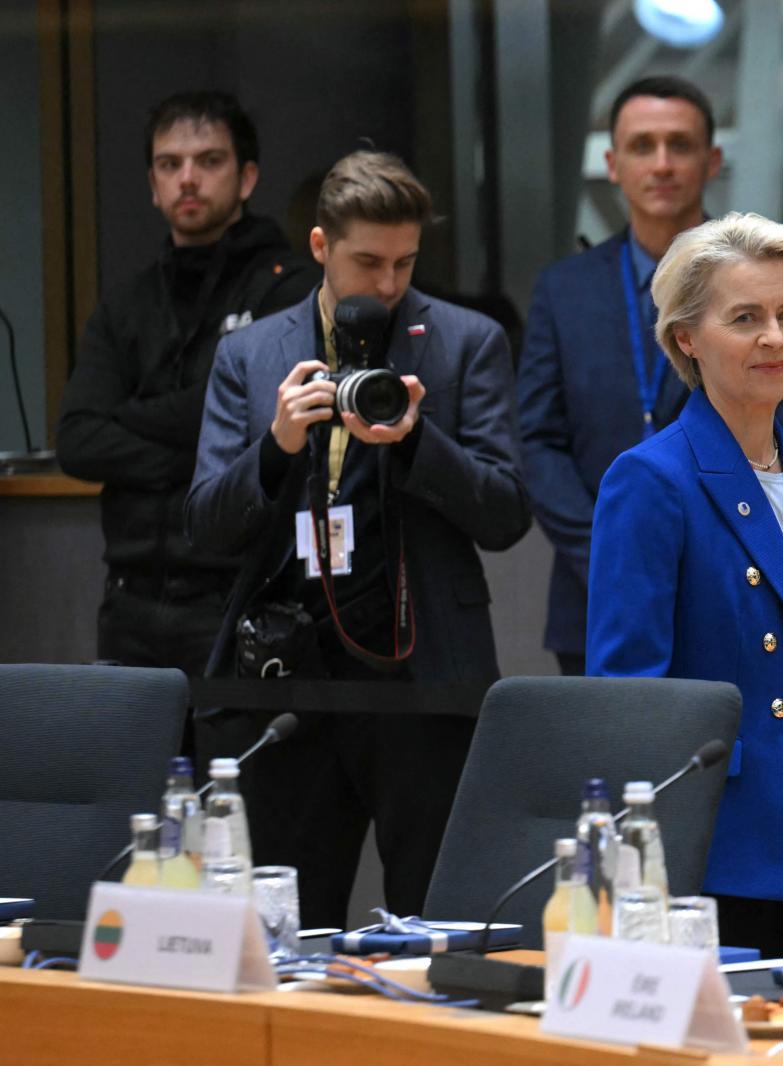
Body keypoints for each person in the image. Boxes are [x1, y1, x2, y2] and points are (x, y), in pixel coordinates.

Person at [186, 150, 532, 927]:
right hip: (290, 674)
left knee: (437, 920)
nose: (387, 284)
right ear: (319, 248)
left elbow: (506, 514)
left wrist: (414, 442)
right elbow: (207, 524)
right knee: (286, 923)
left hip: (424, 669)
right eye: (367, 261)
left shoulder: (465, 341)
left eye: (405, 262)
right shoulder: (250, 354)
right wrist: (275, 446)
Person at [586, 213, 783, 958]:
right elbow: (628, 700)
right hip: (718, 849)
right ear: (687, 338)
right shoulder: (650, 478)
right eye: (745, 318)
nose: (775, 338)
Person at [517, 75, 783, 677]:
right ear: (611, 164)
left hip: (741, 582)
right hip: (592, 590)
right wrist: (620, 550)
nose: (661, 164)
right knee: (619, 764)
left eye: (679, 145)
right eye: (642, 146)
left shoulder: (766, 286)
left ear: (712, 160)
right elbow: (538, 441)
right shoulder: (565, 288)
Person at [56, 91, 316, 726]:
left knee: (234, 812)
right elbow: (79, 440)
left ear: (247, 176)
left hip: (237, 596)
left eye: (209, 160)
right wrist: (209, 439)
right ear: (152, 184)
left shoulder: (288, 286)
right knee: (132, 806)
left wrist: (137, 414)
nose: (188, 178)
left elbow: (257, 420)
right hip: (131, 600)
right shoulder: (129, 302)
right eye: (169, 165)